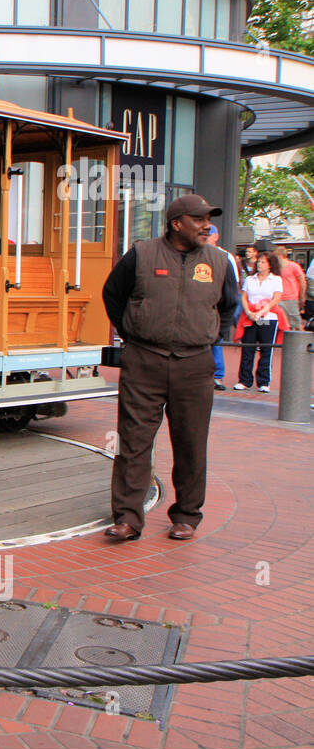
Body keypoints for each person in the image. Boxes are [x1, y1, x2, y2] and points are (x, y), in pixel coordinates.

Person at [101, 194, 238, 542]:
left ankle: (187, 516)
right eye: (199, 219)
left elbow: (229, 307)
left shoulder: (220, 261)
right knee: (133, 442)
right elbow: (112, 294)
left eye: (208, 219)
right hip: (144, 362)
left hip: (194, 365)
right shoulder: (142, 254)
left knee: (191, 443)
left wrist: (209, 340)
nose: (206, 225)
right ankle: (128, 518)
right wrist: (132, 332)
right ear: (176, 223)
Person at [233, 251, 286, 392]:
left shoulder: (276, 280)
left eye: (262, 262)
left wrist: (262, 312)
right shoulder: (250, 280)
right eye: (258, 262)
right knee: (247, 348)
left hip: (267, 318)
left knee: (266, 349)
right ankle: (244, 380)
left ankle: (264, 381)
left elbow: (276, 298)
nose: (259, 264)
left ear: (270, 265)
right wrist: (249, 312)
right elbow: (244, 297)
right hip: (250, 317)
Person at [206, 226, 241, 390]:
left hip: (217, 305)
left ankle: (218, 375)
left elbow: (232, 286)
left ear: (216, 236)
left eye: (209, 234)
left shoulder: (225, 257)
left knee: (216, 340)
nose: (206, 237)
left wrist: (222, 327)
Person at [273, 245, 307, 329]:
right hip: (278, 298)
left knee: (296, 322)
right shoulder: (276, 268)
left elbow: (302, 281)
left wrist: (302, 297)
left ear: (280, 256)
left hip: (291, 298)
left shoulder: (294, 266)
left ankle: (301, 340)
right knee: (281, 322)